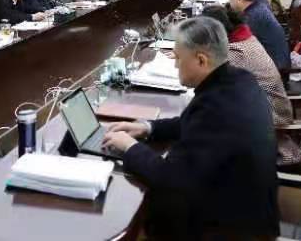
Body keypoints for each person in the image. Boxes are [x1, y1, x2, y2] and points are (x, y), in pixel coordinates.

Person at [102, 17, 279, 238]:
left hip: (231, 228)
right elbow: (192, 121)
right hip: (246, 205)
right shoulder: (239, 80)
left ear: (201, 60)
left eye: (178, 58)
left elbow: (171, 178)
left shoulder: (217, 106)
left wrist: (130, 147)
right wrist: (147, 128)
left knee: (149, 206)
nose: (175, 65)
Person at [202, 5, 301, 166]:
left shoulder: (236, 52)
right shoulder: (245, 38)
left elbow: (208, 81)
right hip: (272, 112)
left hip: (270, 126)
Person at [228, 0, 290, 71]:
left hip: (275, 69)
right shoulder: (257, 7)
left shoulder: (253, 16)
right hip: (274, 62)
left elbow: (236, 46)